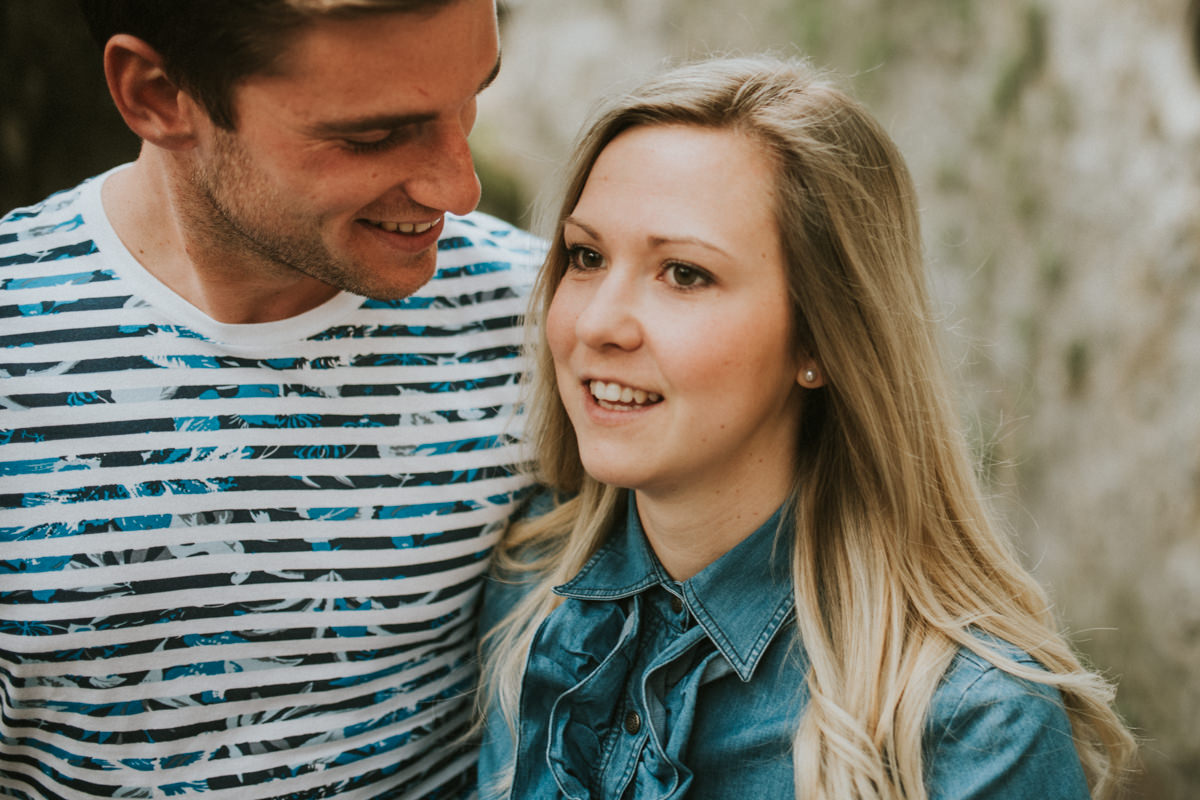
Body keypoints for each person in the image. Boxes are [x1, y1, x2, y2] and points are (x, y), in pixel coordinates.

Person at [475, 56, 1137, 800]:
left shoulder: (968, 726)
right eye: (586, 256)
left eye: (684, 273)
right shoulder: (526, 584)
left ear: (818, 338)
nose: (597, 323)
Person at [0, 1, 541, 797]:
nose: (460, 187)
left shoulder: (554, 324)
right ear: (157, 95)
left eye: (471, 99)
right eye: (374, 135)